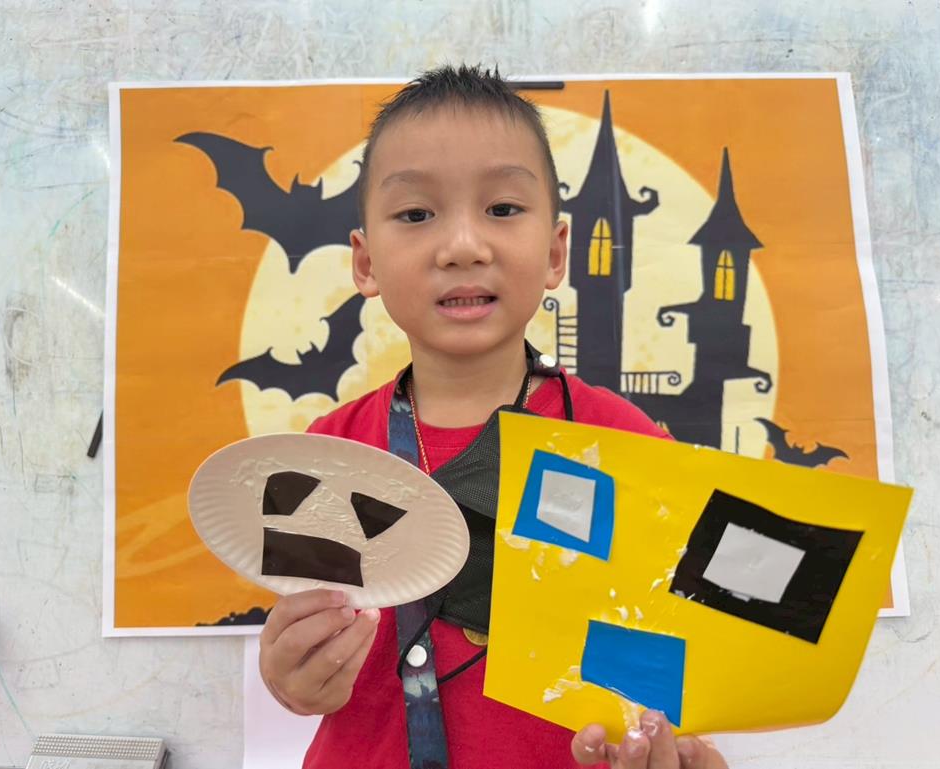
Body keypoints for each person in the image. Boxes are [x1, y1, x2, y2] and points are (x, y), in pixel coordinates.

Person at [259, 64, 729, 769]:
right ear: (365, 263)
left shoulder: (626, 443)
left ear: (556, 251)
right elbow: (308, 654)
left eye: (503, 209)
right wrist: (291, 678)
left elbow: (676, 664)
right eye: (416, 215)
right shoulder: (326, 454)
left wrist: (682, 750)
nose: (463, 247)